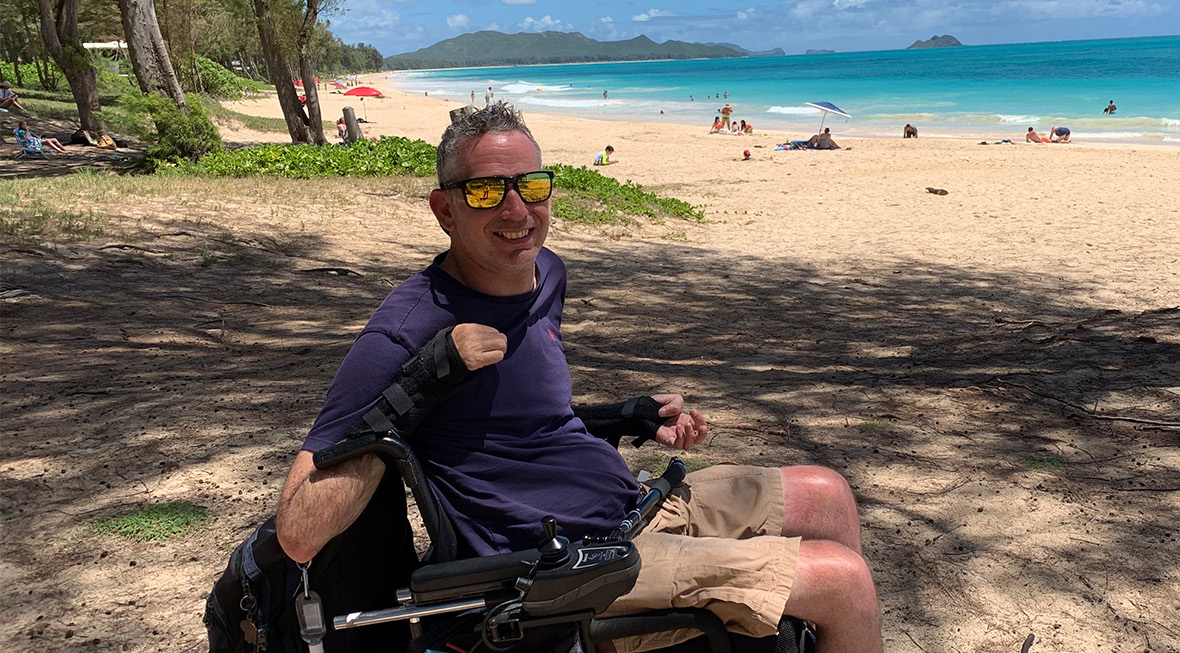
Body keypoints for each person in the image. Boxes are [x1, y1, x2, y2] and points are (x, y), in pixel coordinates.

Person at [273, 103, 882, 653]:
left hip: (634, 508)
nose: (517, 211)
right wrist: (423, 380)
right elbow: (299, 533)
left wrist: (625, 415)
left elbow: (517, 420)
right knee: (843, 583)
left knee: (826, 492)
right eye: (486, 192)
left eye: (531, 185)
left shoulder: (545, 274)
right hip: (567, 570)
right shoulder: (406, 331)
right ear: (445, 210)